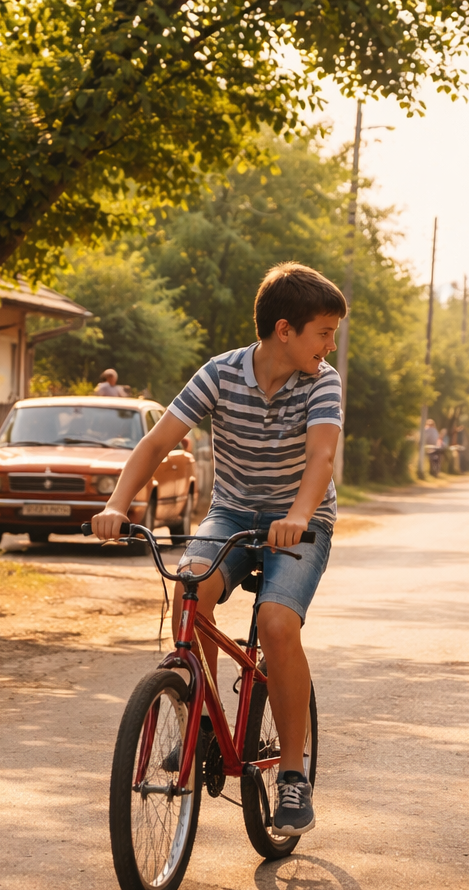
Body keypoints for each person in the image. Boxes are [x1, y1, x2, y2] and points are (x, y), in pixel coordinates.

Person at [93, 262, 343, 836]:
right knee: (191, 590)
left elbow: (321, 459)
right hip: (231, 513)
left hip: (301, 521)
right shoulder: (221, 373)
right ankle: (199, 713)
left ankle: (292, 774)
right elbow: (157, 442)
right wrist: (116, 505)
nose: (329, 345)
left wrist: (298, 516)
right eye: (323, 332)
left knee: (277, 624)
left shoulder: (321, 380)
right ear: (285, 330)